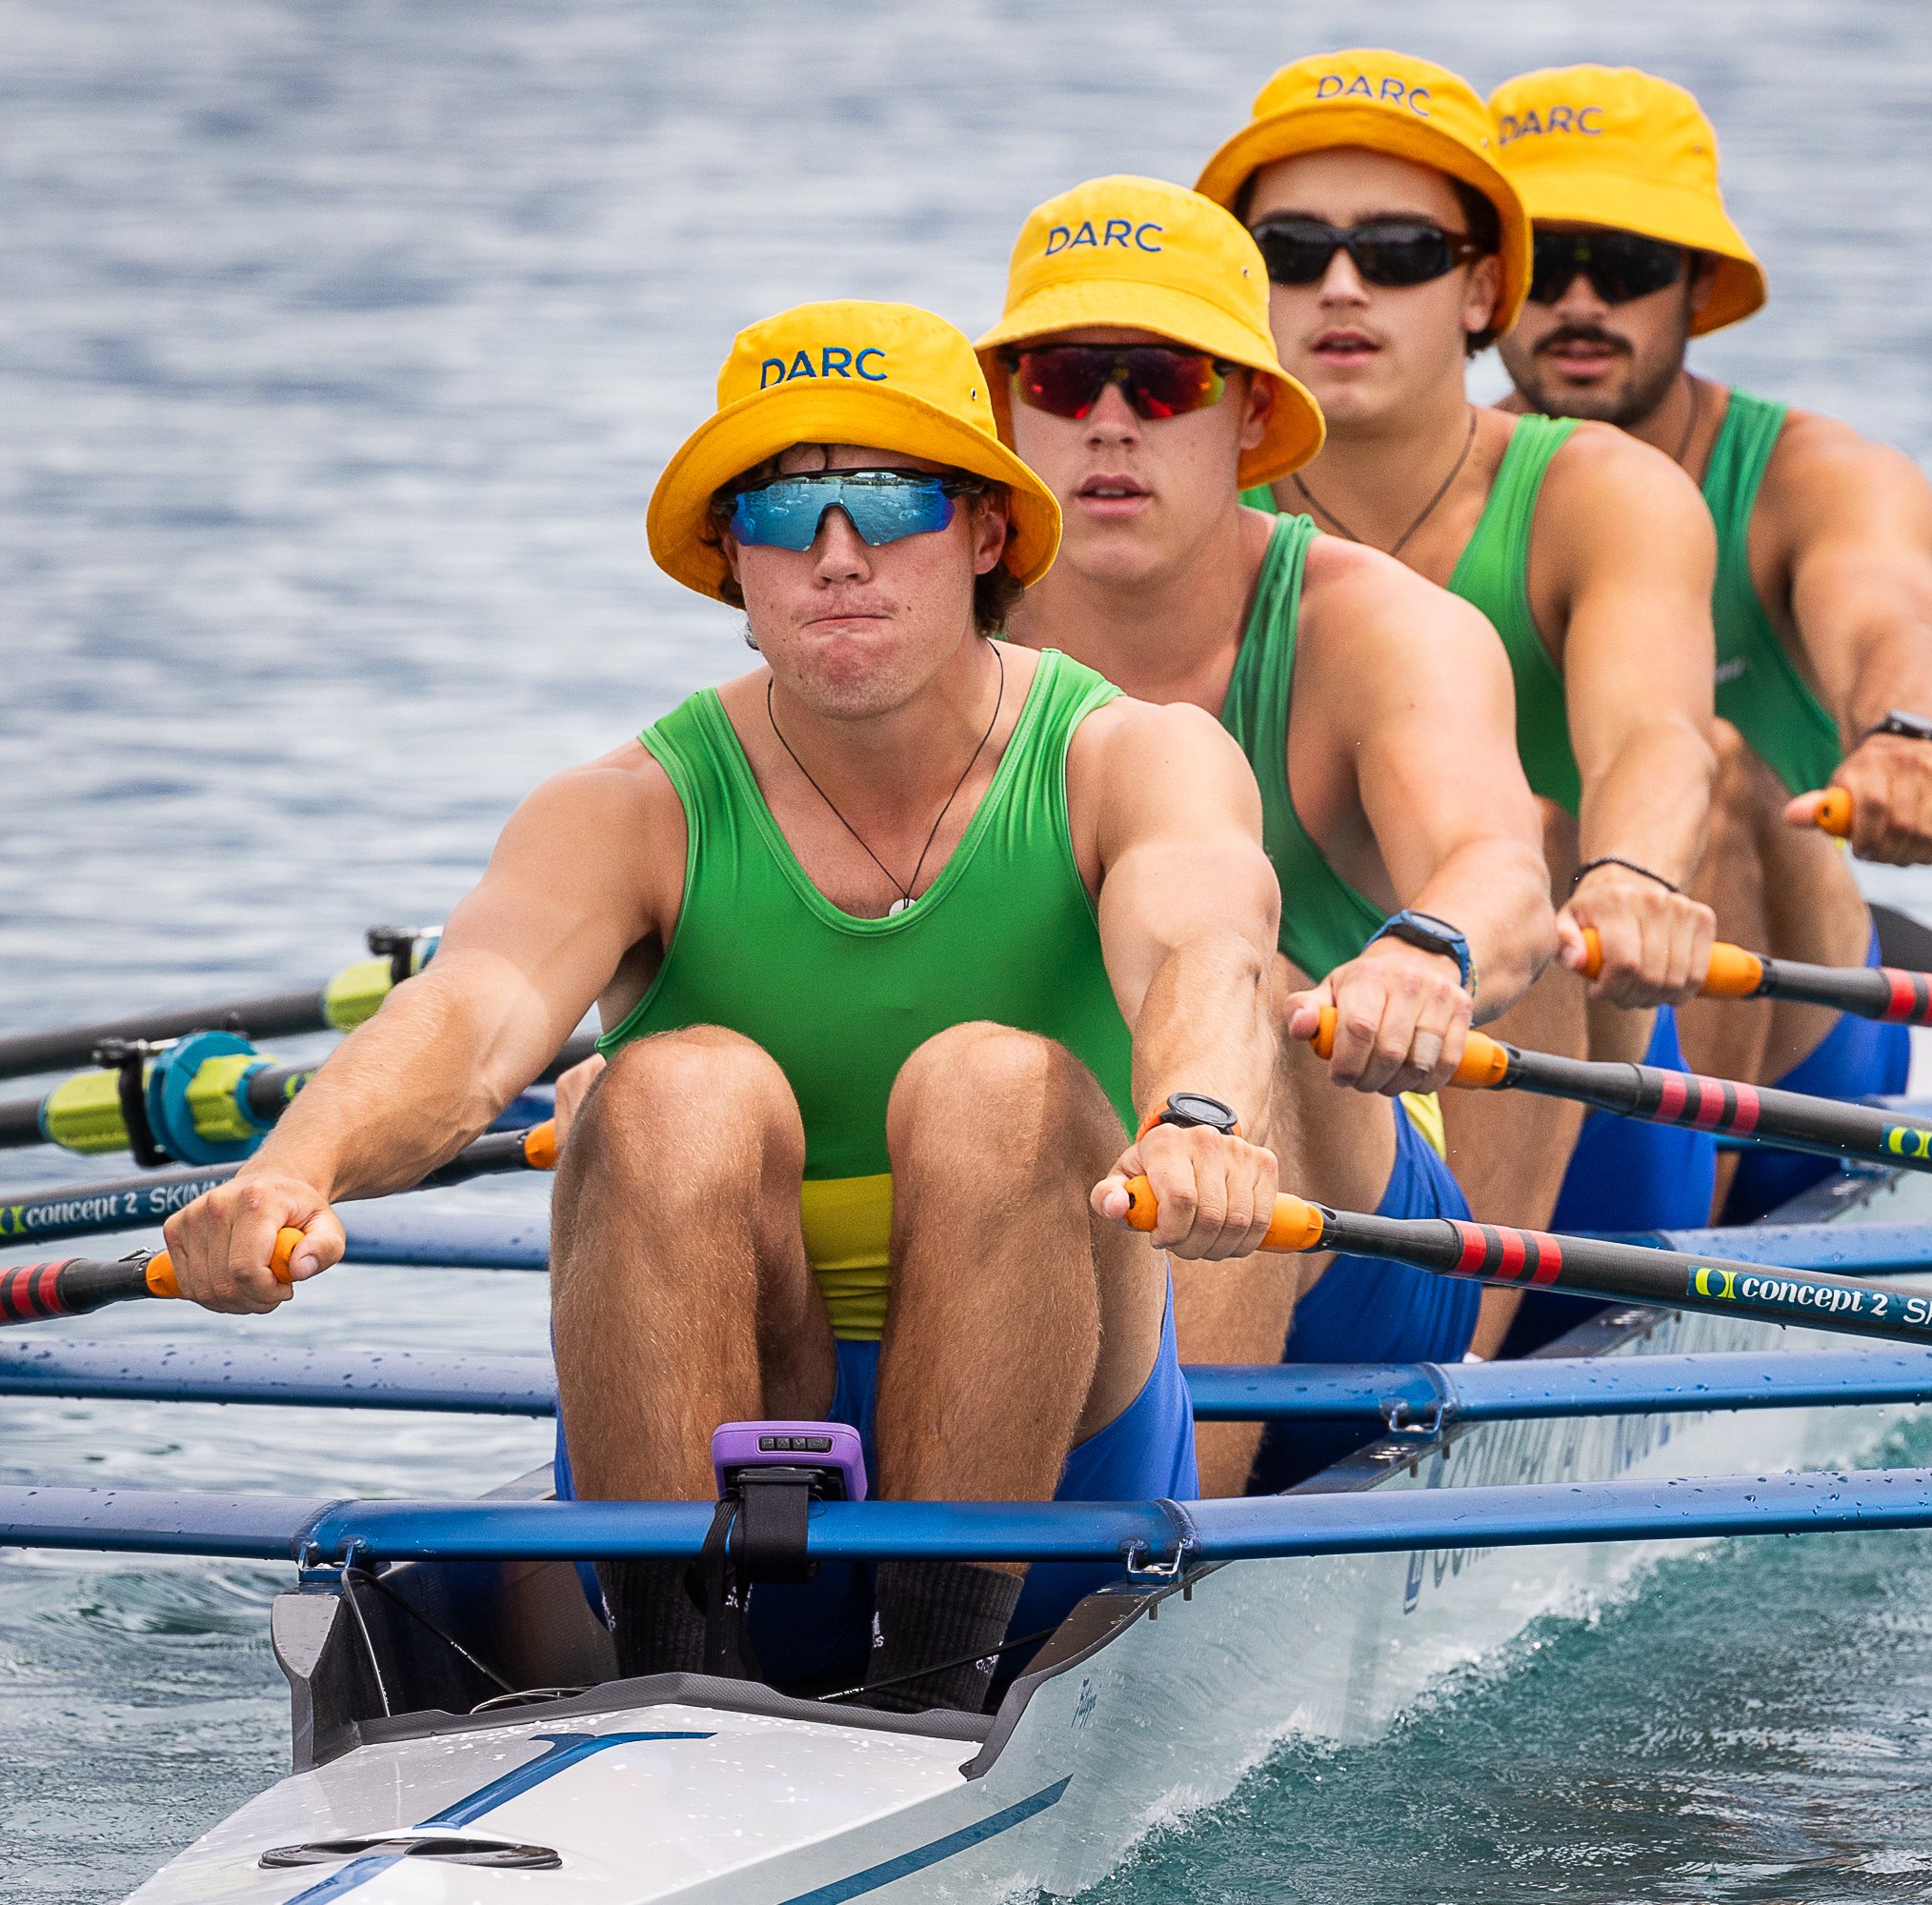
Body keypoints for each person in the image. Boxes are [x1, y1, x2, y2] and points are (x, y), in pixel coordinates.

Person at [157, 301, 1291, 1712]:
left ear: (990, 534)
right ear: (729, 567)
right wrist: (287, 1171)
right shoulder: (624, 810)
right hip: (724, 1431)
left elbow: (1206, 946)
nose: (836, 553)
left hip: (1056, 1482)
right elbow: (472, 1017)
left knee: (992, 1081)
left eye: (888, 499)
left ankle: (933, 1678)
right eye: (781, 511)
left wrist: (1194, 1117)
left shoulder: (1135, 761)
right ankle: (680, 1678)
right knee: (663, 1087)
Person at [981, 175, 1559, 1493]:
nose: (1110, 424)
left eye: (1163, 384)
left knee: (1252, 993)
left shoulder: (1375, 628)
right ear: (1010, 414)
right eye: (1067, 380)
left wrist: (1427, 949)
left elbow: (1504, 869)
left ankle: (1180, 1553)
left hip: (1349, 1224)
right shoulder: (920, 626)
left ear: (1248, 412)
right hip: (1047, 1173)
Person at [1197, 50, 1725, 1356]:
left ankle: (1455, 1375)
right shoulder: (1160, 505)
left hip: (1558, 1082)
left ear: (1484, 288)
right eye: (1293, 247)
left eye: (1397, 250)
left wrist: (1631, 872)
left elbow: (1661, 732)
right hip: (1287, 1077)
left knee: (1530, 851)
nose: (1339, 285)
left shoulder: (1598, 492)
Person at [1489, 64, 1932, 1222]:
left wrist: (1902, 736)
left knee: (1701, 757)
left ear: (1697, 288)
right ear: (1479, 287)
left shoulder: (1815, 477)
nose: (1582, 302)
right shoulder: (1429, 489)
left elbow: (1888, 613)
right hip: (1528, 1003)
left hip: (1797, 1043)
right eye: (1543, 267)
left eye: (1632, 266)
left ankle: (1702, 1232)